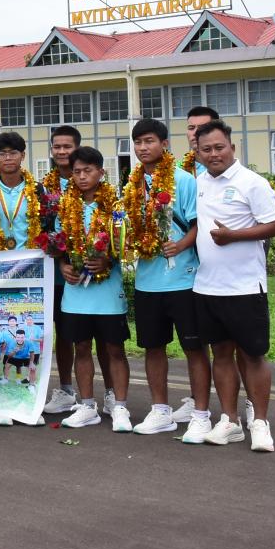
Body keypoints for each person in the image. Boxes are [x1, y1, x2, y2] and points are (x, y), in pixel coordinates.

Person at [192, 120, 275, 452]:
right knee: (221, 354)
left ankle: (260, 423)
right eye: (206, 149)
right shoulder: (199, 182)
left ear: (232, 147)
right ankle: (230, 421)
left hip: (245, 287)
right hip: (208, 286)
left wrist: (233, 236)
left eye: (219, 147)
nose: (213, 154)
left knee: (253, 354)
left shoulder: (252, 182)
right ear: (197, 153)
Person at [123, 119, 211, 442]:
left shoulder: (183, 180)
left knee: (194, 348)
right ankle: (160, 411)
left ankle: (201, 414)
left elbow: (198, 224)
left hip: (184, 280)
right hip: (147, 281)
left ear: (164, 144)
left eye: (149, 141)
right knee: (153, 348)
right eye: (138, 142)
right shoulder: (132, 185)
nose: (143, 147)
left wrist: (181, 245)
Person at [57, 146, 132, 432]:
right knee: (81, 346)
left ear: (101, 172)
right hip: (76, 291)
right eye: (76, 171)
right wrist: (63, 265)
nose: (82, 176)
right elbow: (59, 244)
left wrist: (108, 260)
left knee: (114, 348)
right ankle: (87, 406)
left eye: (88, 170)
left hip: (107, 291)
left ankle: (120, 406)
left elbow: (127, 246)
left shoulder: (116, 206)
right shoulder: (65, 206)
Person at [41, 124, 108, 414]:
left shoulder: (94, 187)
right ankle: (66, 390)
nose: (62, 151)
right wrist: (60, 260)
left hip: (95, 277)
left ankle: (112, 395)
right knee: (64, 335)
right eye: (57, 147)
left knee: (100, 338)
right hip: (57, 273)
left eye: (67, 146)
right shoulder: (43, 187)